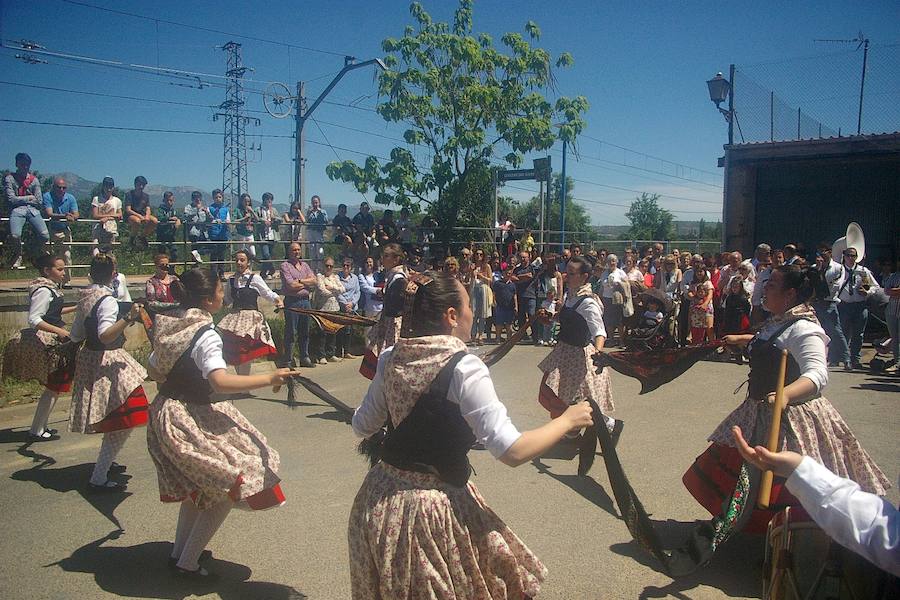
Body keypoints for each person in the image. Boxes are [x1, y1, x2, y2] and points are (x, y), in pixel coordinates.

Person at [349, 271, 594, 599]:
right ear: (451, 316)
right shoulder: (466, 368)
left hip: (377, 499)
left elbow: (362, 426)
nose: (473, 314)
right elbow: (512, 451)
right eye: (468, 307)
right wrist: (566, 420)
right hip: (428, 511)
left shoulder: (390, 357)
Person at [681, 264, 890, 564]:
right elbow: (769, 340)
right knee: (747, 471)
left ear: (791, 293)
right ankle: (754, 530)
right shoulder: (781, 321)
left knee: (786, 481)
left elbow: (818, 375)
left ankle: (792, 542)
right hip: (760, 411)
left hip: (789, 417)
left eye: (772, 284)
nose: (764, 287)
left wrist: (786, 395)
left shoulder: (805, 328)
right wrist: (741, 339)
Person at [146, 268, 295, 578]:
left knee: (201, 486)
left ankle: (180, 554)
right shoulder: (205, 334)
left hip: (168, 410)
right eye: (218, 291)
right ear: (207, 300)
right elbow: (220, 380)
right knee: (230, 481)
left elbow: (154, 368)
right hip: (187, 415)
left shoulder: (172, 323)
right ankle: (187, 563)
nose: (222, 296)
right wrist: (271, 376)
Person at [731, 426, 899, 577]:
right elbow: (883, 532)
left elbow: (886, 538)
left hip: (799, 427)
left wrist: (788, 395)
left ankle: (803, 554)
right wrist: (797, 469)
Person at [69, 254, 149, 491]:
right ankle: (99, 475)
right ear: (114, 274)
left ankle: (106, 462)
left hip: (90, 359)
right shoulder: (107, 300)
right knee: (125, 417)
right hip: (108, 361)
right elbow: (105, 335)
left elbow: (76, 334)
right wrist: (128, 318)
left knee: (117, 417)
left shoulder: (85, 296)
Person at [537, 256, 622, 443]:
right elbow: (568, 318)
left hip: (578, 357)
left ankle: (610, 425)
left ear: (585, 277)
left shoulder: (588, 302)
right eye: (567, 271)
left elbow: (599, 331)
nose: (567, 275)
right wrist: (551, 317)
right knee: (552, 395)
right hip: (564, 353)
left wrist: (599, 354)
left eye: (572, 273)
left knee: (575, 400)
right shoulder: (572, 295)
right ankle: (573, 431)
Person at [1, 254, 77, 440]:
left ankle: (40, 426)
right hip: (49, 342)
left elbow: (53, 310)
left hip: (53, 339)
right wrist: (60, 332)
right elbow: (34, 319)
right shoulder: (43, 290)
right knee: (54, 385)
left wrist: (75, 307)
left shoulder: (49, 289)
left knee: (55, 386)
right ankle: (37, 429)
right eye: (60, 269)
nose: (63, 272)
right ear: (46, 271)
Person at [219, 249, 282, 377]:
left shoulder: (255, 278)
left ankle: (244, 380)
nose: (239, 262)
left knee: (245, 350)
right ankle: (240, 380)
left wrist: (278, 301)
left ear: (248, 263)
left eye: (242, 260)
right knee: (235, 350)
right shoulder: (231, 280)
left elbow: (267, 293)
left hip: (250, 318)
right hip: (235, 318)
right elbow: (228, 299)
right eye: (237, 260)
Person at [360, 243, 407, 379]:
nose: (383, 259)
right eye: (383, 256)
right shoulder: (391, 276)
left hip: (393, 323)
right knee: (380, 359)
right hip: (387, 321)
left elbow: (397, 306)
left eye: (387, 256)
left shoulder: (399, 278)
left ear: (396, 259)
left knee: (390, 359)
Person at [836, 246, 880, 370]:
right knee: (843, 332)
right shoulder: (840, 270)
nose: (851, 258)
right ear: (844, 256)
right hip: (844, 305)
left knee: (858, 334)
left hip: (860, 305)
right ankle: (843, 358)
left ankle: (855, 359)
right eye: (848, 255)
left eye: (853, 256)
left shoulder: (863, 271)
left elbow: (874, 286)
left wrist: (867, 292)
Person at [4, 152, 48, 269]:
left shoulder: (34, 180)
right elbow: (11, 199)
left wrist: (21, 199)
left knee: (44, 235)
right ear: (17, 164)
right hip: (17, 211)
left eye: (27, 164)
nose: (25, 167)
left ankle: (31, 250)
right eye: (22, 164)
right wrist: (29, 197)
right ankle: (18, 254)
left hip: (33, 210)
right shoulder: (10, 178)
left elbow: (39, 200)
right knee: (15, 235)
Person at [280, 242, 317, 368]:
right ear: (289, 252)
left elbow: (314, 281)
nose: (296, 252)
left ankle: (304, 357)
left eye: (298, 250)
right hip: (292, 302)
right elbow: (290, 285)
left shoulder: (305, 265)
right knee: (291, 331)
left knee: (304, 331)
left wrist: (300, 281)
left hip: (306, 301)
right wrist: (307, 283)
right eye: (294, 250)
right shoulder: (285, 266)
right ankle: (288, 359)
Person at [811, 243, 846, 366]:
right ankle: (825, 358)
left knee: (836, 331)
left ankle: (846, 358)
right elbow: (812, 286)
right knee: (819, 331)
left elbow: (833, 287)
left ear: (829, 252)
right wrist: (818, 269)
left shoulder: (838, 268)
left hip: (830, 303)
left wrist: (821, 275)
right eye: (818, 253)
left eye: (823, 252)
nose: (820, 256)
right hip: (816, 303)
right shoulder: (814, 268)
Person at [42, 177, 79, 278]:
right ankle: (48, 278)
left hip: (64, 229)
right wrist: (65, 216)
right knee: (48, 255)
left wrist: (72, 217)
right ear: (54, 187)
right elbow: (49, 213)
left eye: (64, 188)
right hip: (50, 229)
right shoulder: (47, 196)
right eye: (59, 187)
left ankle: (66, 280)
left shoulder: (70, 198)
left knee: (66, 255)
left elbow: (76, 214)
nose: (61, 190)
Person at [313, 257, 345, 364]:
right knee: (322, 333)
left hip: (335, 308)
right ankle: (321, 355)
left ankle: (331, 354)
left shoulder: (335, 277)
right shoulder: (319, 276)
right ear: (323, 265)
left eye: (331, 266)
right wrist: (335, 290)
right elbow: (322, 290)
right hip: (323, 308)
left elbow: (342, 289)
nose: (329, 268)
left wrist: (331, 287)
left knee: (333, 332)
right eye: (327, 265)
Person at [600, 253, 629, 347]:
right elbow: (602, 286)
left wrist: (619, 284)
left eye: (613, 261)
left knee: (619, 321)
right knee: (608, 321)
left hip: (617, 300)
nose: (611, 263)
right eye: (609, 261)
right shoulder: (604, 273)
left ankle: (621, 340)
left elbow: (627, 285)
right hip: (606, 299)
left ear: (616, 262)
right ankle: (611, 339)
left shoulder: (620, 272)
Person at [721, 275, 751, 363]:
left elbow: (747, 309)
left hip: (740, 320)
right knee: (730, 336)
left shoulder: (744, 298)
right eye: (733, 287)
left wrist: (743, 317)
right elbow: (726, 309)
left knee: (740, 337)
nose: (734, 289)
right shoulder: (729, 297)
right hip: (730, 319)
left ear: (740, 287)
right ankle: (735, 353)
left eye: (736, 287)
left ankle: (744, 353)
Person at [336, 257, 361, 359]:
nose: (346, 267)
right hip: (342, 306)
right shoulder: (337, 277)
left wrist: (352, 303)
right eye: (344, 265)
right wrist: (345, 303)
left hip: (352, 307)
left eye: (348, 265)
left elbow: (357, 291)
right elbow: (337, 292)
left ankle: (347, 351)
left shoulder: (355, 278)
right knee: (340, 329)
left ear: (351, 267)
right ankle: (338, 352)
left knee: (349, 330)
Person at [91, 177, 122, 257]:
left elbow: (120, 215)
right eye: (107, 186)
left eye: (111, 186)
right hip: (98, 229)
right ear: (103, 187)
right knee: (96, 250)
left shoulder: (117, 200)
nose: (109, 188)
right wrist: (112, 216)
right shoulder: (96, 199)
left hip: (111, 229)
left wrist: (107, 218)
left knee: (110, 252)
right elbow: (95, 215)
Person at [124, 176, 157, 249]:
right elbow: (128, 210)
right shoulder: (129, 194)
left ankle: (142, 236)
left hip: (142, 214)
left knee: (154, 221)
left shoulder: (146, 196)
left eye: (143, 185)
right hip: (131, 215)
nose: (141, 187)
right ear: (135, 184)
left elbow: (148, 208)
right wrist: (140, 216)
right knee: (137, 221)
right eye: (139, 184)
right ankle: (132, 239)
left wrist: (147, 216)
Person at [512, 250, 538, 343]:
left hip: (531, 295)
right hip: (520, 295)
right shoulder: (516, 269)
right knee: (521, 317)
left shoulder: (533, 268)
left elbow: (530, 276)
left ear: (529, 257)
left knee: (532, 315)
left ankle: (535, 335)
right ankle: (523, 335)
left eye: (525, 257)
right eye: (521, 257)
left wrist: (519, 277)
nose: (523, 259)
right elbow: (513, 278)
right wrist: (524, 276)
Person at [469, 248, 493, 346]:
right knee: (474, 314)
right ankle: (473, 335)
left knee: (482, 315)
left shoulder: (486, 266)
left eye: (481, 254)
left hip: (483, 289)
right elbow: (469, 279)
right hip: (474, 289)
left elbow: (491, 280)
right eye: (477, 254)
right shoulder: (472, 266)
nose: (479, 256)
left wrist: (482, 276)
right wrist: (471, 271)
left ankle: (480, 335)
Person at [687, 266, 715, 345]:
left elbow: (710, 294)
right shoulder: (693, 282)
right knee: (695, 327)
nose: (699, 273)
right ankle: (695, 344)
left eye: (701, 271)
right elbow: (689, 292)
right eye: (697, 272)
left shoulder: (708, 283)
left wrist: (705, 304)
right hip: (695, 307)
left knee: (709, 327)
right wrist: (694, 297)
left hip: (706, 306)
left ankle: (712, 344)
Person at [207, 189, 230, 279]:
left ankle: (221, 273)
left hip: (223, 234)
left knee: (221, 255)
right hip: (213, 234)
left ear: (222, 198)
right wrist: (215, 221)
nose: (218, 199)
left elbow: (228, 219)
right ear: (213, 198)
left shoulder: (225, 209)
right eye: (216, 197)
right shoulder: (210, 208)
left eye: (219, 197)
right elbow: (208, 220)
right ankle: (213, 274)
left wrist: (226, 222)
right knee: (213, 255)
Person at [492, 264, 517, 343]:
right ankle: (498, 338)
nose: (507, 275)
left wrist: (516, 306)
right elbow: (493, 293)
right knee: (499, 324)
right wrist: (494, 301)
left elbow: (515, 296)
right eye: (506, 273)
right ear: (503, 274)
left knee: (508, 324)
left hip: (509, 307)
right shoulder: (497, 283)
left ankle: (509, 339)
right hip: (500, 306)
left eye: (509, 273)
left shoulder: (512, 285)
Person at [882, 261, 900, 374]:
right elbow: (887, 291)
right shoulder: (894, 276)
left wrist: (896, 290)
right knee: (895, 337)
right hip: (892, 310)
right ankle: (897, 361)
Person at [183, 191, 209, 264]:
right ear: (192, 199)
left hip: (203, 232)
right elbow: (186, 216)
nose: (198, 201)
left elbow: (209, 220)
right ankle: (194, 269)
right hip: (193, 232)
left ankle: (197, 252)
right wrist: (196, 209)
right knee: (194, 255)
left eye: (199, 199)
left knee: (210, 247)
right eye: (196, 199)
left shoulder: (203, 208)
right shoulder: (188, 207)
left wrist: (207, 213)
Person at [256, 193, 278, 279]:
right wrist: (263, 221)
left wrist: (274, 219)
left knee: (269, 255)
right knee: (266, 254)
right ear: (263, 200)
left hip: (272, 236)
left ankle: (263, 273)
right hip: (263, 236)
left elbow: (280, 219)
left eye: (270, 199)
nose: (269, 201)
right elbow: (256, 218)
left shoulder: (274, 210)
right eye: (267, 199)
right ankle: (272, 269)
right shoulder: (258, 209)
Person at [155, 191, 181, 262]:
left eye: (171, 200)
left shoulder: (174, 210)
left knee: (174, 253)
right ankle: (162, 270)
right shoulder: (160, 210)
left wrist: (179, 220)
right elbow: (159, 218)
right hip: (161, 235)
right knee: (161, 255)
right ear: (164, 200)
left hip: (171, 235)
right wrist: (169, 219)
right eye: (167, 200)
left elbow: (182, 216)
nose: (169, 202)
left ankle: (171, 269)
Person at [305, 195, 328, 272]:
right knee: (312, 251)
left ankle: (320, 269)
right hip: (310, 232)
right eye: (313, 202)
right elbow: (307, 220)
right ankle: (313, 269)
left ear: (319, 203)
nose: (315, 204)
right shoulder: (310, 211)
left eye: (316, 202)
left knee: (319, 251)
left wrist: (320, 211)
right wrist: (309, 212)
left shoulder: (323, 211)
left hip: (318, 232)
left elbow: (326, 220)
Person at [358, 256, 383, 320]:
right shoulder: (361, 276)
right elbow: (365, 287)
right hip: (369, 306)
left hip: (380, 306)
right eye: (367, 262)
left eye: (370, 262)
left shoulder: (378, 274)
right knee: (368, 328)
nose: (369, 264)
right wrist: (377, 290)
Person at [233, 193, 257, 259]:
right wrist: (244, 218)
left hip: (250, 234)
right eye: (245, 201)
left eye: (248, 201)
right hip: (241, 234)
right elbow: (233, 220)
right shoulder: (237, 210)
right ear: (241, 201)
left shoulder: (251, 210)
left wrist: (252, 211)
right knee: (241, 253)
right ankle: (241, 268)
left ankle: (249, 268)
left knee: (253, 253)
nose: (247, 203)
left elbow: (257, 220)